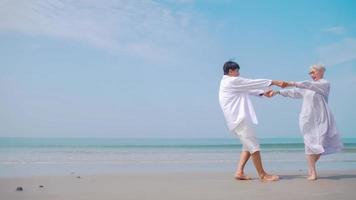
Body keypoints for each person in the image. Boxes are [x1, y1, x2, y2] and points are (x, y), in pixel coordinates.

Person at [271, 64, 343, 180]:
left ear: (321, 72)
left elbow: (309, 85)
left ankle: (311, 167)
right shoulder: (307, 87)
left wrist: (289, 82)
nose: (311, 75)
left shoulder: (324, 84)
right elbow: (295, 92)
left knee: (321, 145)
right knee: (309, 145)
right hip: (307, 118)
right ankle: (313, 172)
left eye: (313, 72)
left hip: (321, 118)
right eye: (310, 73)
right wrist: (278, 92)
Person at [218, 60, 286, 181]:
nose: (239, 73)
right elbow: (252, 83)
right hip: (239, 120)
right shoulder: (231, 81)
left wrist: (263, 93)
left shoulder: (228, 83)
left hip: (236, 120)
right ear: (230, 71)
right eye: (237, 71)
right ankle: (263, 175)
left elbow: (247, 89)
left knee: (247, 146)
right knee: (253, 146)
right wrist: (274, 82)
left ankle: (239, 172)